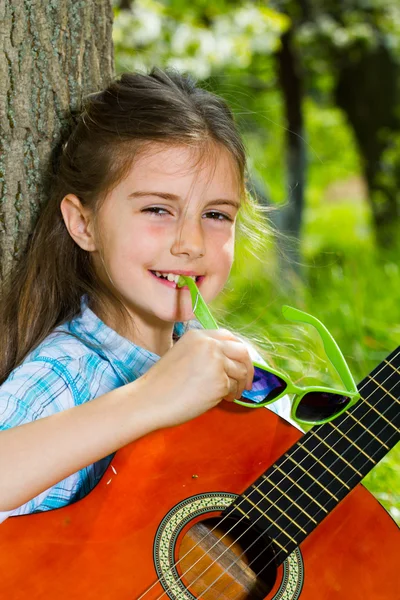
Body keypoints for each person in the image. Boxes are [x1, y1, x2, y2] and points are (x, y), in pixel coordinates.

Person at [0, 68, 294, 524]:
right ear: (83, 223)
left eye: (216, 215)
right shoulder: (63, 380)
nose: (191, 243)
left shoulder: (236, 368)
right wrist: (149, 398)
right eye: (158, 209)